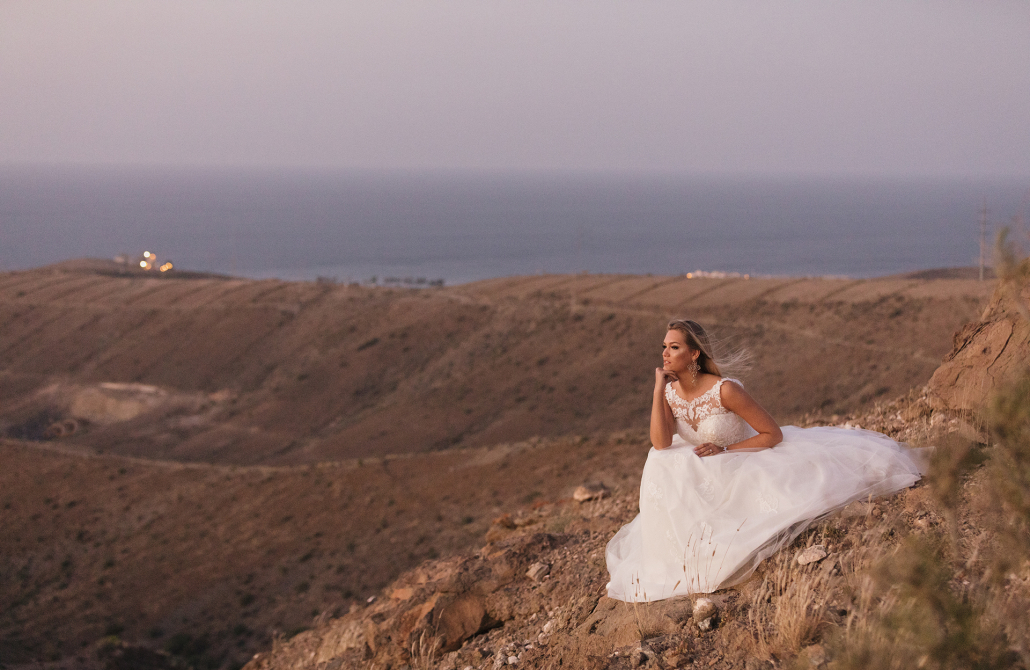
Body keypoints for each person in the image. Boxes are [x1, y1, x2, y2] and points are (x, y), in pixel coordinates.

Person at [605, 319, 924, 602]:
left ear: (694, 354)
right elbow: (660, 442)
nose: (665, 353)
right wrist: (658, 389)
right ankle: (676, 555)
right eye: (664, 346)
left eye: (673, 347)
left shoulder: (724, 390)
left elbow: (773, 435)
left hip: (744, 459)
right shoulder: (671, 393)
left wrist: (726, 451)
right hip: (704, 471)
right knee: (661, 460)